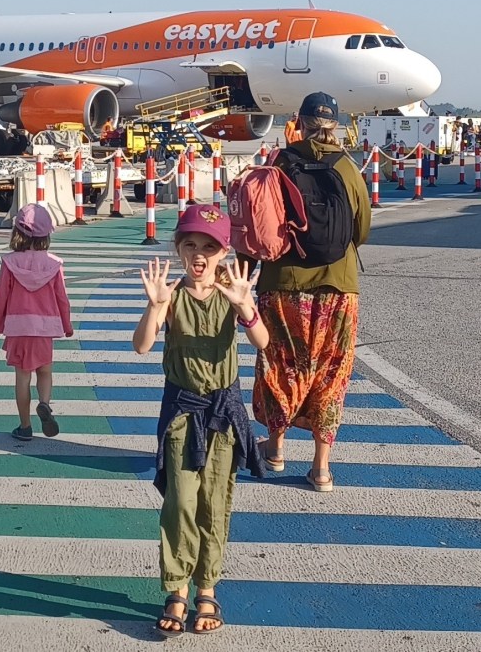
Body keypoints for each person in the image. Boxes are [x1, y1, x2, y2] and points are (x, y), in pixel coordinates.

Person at [134, 204, 269, 637]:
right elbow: (142, 346)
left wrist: (246, 306)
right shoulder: (171, 296)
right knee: (179, 503)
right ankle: (176, 589)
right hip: (182, 413)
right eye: (190, 244)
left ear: (223, 251)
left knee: (214, 503)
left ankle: (206, 588)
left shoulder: (233, 292)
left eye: (209, 247)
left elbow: (262, 340)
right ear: (178, 249)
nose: (199, 254)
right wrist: (155, 306)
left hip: (223, 414)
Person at [245, 92, 371, 492]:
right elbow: (361, 229)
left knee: (280, 366)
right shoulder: (347, 167)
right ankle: (321, 468)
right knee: (331, 373)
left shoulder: (280, 163)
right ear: (337, 126)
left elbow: (259, 222)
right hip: (338, 287)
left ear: (297, 123)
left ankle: (276, 448)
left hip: (283, 285)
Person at [0, 204, 73, 441]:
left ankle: (25, 426)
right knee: (45, 371)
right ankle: (44, 403)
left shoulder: (10, 262)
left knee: (22, 377)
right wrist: (67, 326)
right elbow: (62, 298)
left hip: (18, 328)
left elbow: (1, 298)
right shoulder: (53, 264)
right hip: (45, 328)